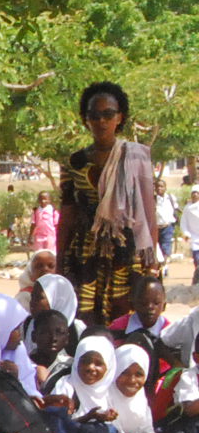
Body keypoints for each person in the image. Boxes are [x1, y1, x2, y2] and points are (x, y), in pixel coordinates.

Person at [58, 82, 160, 324]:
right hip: (85, 252)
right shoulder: (75, 162)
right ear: (86, 119)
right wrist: (60, 263)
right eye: (94, 115)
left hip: (128, 251)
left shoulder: (135, 157)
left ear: (120, 117)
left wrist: (152, 264)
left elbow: (148, 213)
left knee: (126, 318)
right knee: (84, 319)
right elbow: (67, 216)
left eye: (108, 114)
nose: (101, 121)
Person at [31, 189, 60, 255]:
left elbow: (56, 225)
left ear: (49, 200)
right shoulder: (36, 211)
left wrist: (58, 236)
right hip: (39, 236)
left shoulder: (53, 211)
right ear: (38, 200)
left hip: (50, 236)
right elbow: (33, 224)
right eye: (41, 199)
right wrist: (30, 236)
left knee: (50, 254)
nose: (43, 201)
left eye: (45, 199)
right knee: (38, 254)